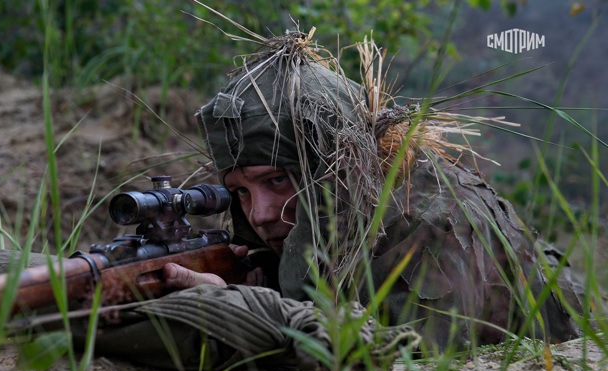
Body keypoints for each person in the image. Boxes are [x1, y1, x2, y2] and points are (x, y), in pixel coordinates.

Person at [160, 31, 584, 351]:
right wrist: (266, 280)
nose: (261, 214)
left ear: (338, 168)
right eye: (241, 192)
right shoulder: (361, 208)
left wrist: (243, 307)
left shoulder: (428, 226)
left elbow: (388, 361)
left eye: (277, 180)